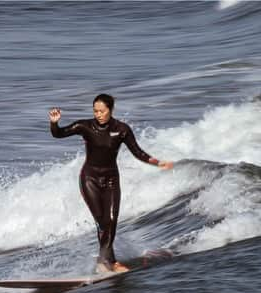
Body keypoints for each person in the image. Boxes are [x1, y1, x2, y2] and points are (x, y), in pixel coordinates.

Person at [49, 94, 173, 273]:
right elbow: (59, 134)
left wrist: (157, 162)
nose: (98, 114)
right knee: (102, 222)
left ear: (111, 110)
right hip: (89, 179)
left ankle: (105, 260)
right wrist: (54, 123)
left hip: (111, 181)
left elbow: (137, 152)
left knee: (112, 221)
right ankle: (110, 261)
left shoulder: (121, 129)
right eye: (95, 111)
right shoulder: (85, 126)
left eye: (102, 111)